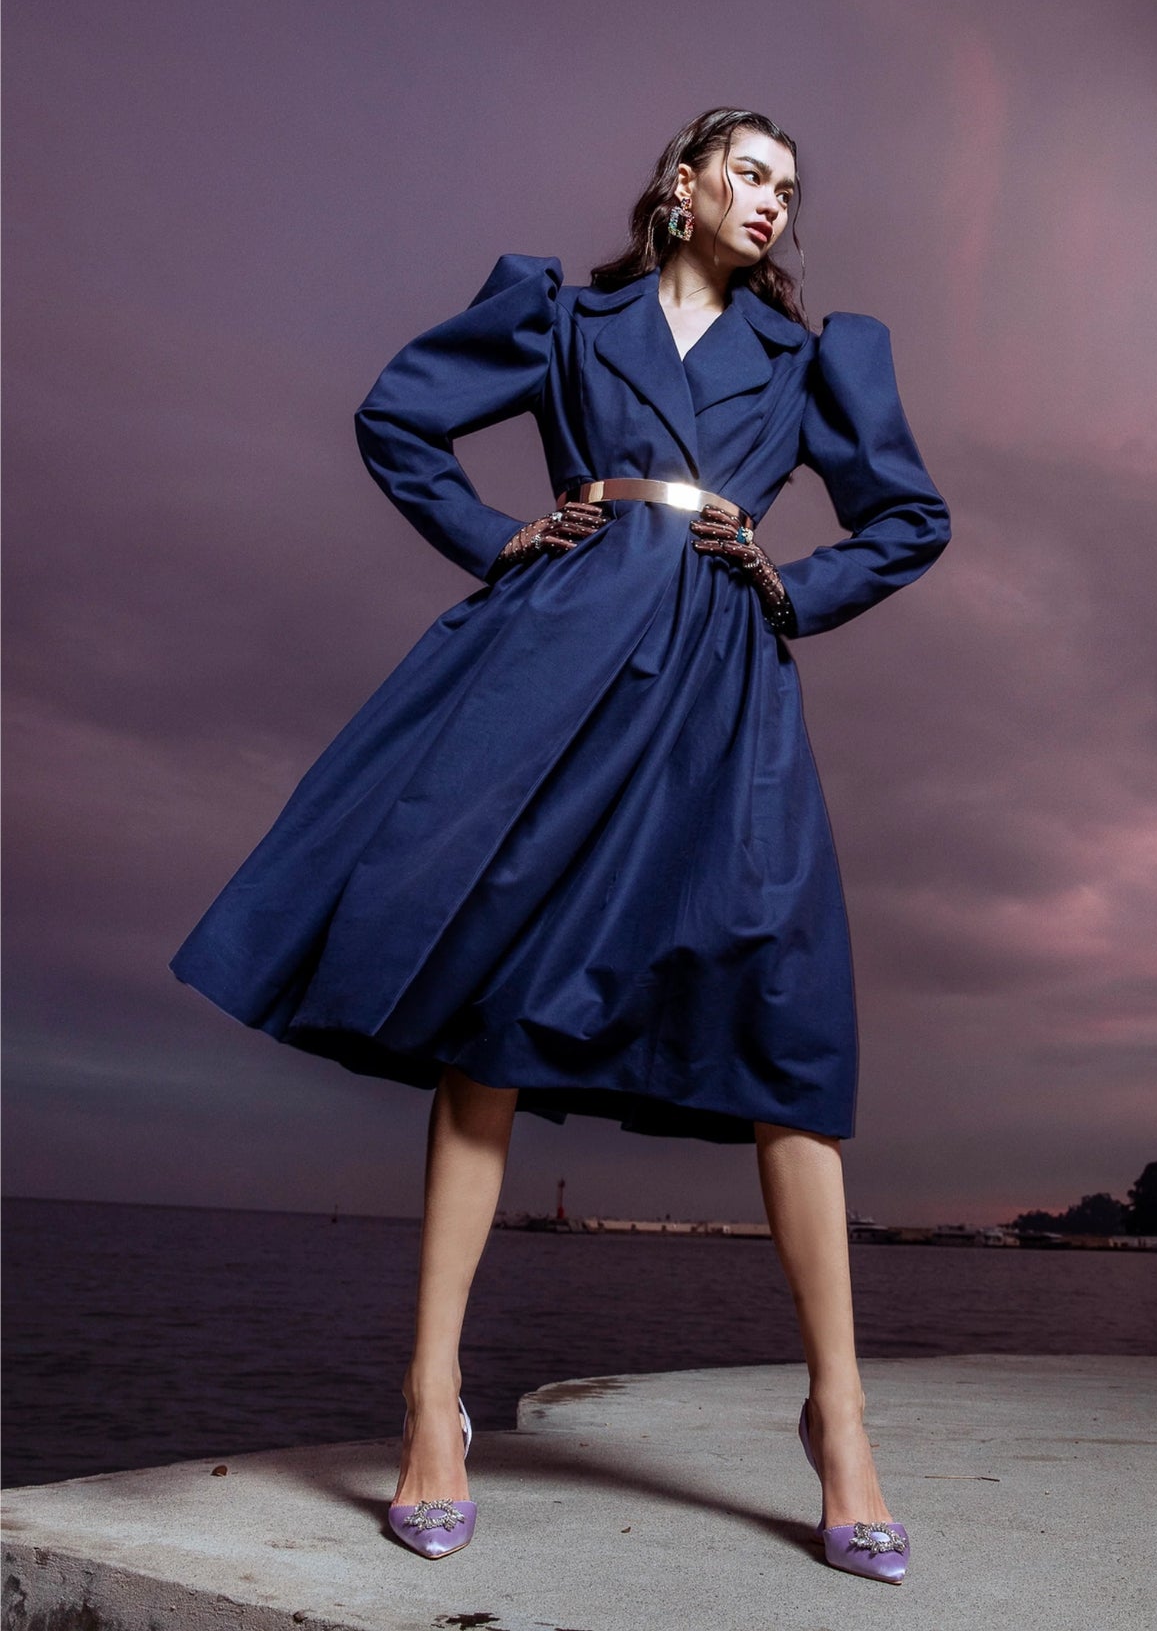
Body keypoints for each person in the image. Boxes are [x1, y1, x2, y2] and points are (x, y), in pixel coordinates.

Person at [169, 106, 951, 1585]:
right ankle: (428, 1405)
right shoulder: (563, 314)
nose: (775, 203)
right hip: (556, 665)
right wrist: (493, 536)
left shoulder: (815, 358)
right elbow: (397, 417)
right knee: (494, 1019)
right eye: (749, 173)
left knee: (790, 1031)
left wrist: (796, 586)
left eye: (792, 187)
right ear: (680, 184)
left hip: (721, 685)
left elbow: (907, 516)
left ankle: (839, 1423)